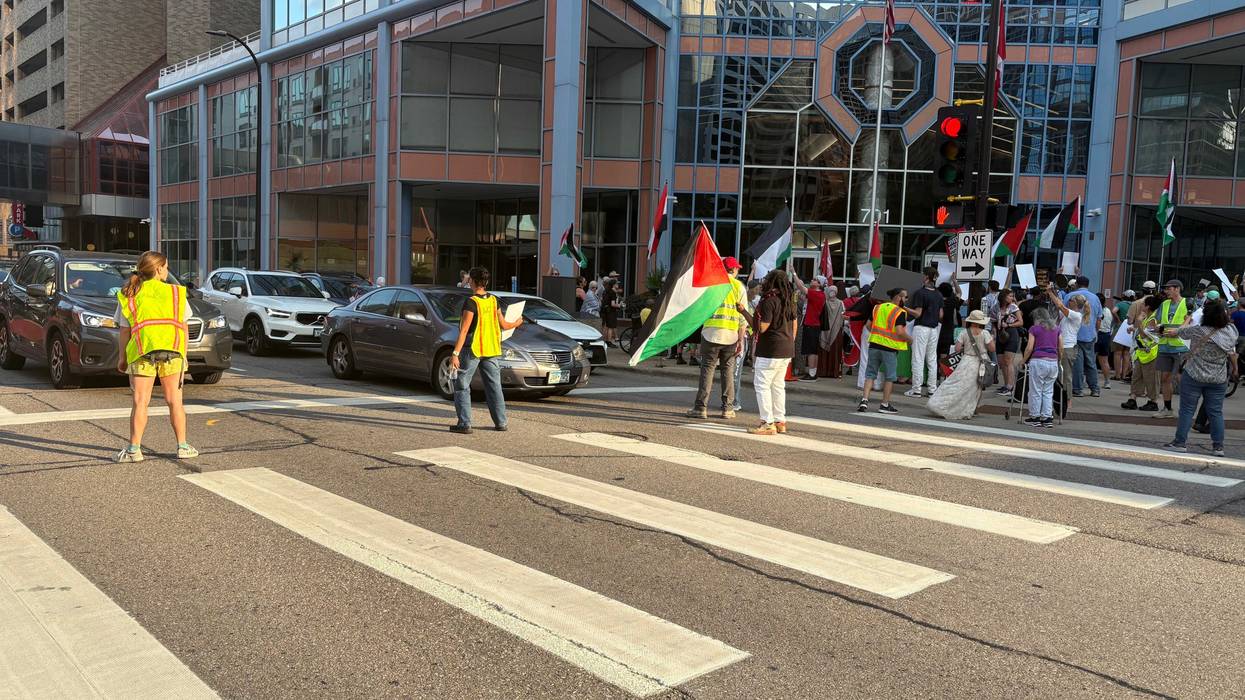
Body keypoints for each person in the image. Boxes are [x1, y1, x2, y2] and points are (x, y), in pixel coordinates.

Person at [113, 251, 197, 462]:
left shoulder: (130, 293)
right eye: (166, 266)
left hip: (142, 352)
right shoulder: (176, 293)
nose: (167, 270)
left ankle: (134, 450)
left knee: (140, 402)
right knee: (175, 402)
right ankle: (183, 447)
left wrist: (122, 358)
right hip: (173, 352)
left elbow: (125, 331)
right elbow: (184, 328)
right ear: (159, 269)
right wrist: (184, 356)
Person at [449, 267, 524, 434]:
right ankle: (501, 423)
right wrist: (517, 323)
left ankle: (464, 424)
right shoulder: (493, 300)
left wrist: (455, 354)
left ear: (472, 282)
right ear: (486, 282)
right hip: (491, 349)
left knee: (461, 385)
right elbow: (504, 325)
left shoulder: (471, 302)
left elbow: (464, 330)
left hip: (473, 350)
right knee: (494, 386)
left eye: (469, 279)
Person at [1163, 301, 1238, 456]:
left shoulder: (1198, 330)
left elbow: (1179, 332)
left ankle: (1180, 442)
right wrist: (1235, 369)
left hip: (1193, 375)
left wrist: (1186, 320)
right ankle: (1218, 447)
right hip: (1218, 378)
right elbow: (1232, 352)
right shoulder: (1231, 332)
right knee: (1215, 412)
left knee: (1187, 410)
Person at [736, 269, 797, 435]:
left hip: (770, 349)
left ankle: (767, 422)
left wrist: (743, 312)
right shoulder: (789, 300)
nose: (763, 283)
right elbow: (794, 326)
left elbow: (761, 327)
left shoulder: (769, 301)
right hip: (786, 348)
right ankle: (780, 421)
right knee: (778, 386)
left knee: (762, 385)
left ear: (771, 282)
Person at [687, 257, 747, 420]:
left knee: (707, 369)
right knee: (727, 371)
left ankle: (700, 408)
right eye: (737, 269)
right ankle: (727, 408)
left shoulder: (712, 285)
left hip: (711, 333)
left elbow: (700, 309)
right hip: (731, 335)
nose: (738, 271)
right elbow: (743, 318)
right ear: (733, 270)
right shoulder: (738, 287)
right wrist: (741, 340)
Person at [927, 310, 995, 420]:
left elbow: (957, 348)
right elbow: (992, 348)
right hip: (980, 362)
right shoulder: (985, 333)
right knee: (976, 387)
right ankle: (972, 408)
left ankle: (940, 404)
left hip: (966, 361)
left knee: (955, 383)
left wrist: (967, 348)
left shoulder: (964, 332)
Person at [858, 287, 910, 414]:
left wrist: (878, 335)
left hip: (874, 345)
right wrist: (910, 339)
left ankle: (864, 400)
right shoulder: (900, 312)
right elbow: (899, 331)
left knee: (870, 374)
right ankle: (884, 404)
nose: (906, 299)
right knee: (890, 377)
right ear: (898, 297)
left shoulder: (878, 307)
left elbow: (868, 326)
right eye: (905, 297)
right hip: (889, 348)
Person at [1153, 279, 1188, 419]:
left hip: (1181, 347)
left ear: (1177, 289)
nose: (1166, 291)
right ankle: (1167, 408)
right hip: (1165, 346)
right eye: (1166, 288)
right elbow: (1158, 321)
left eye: (1169, 288)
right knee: (1165, 378)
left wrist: (1178, 331)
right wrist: (1158, 328)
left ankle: (1186, 410)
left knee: (1183, 380)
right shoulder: (1164, 304)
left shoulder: (1188, 303)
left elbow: (1192, 322)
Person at [1021, 307, 1062, 428]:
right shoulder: (1057, 329)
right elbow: (1061, 347)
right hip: (1053, 361)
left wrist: (1023, 361)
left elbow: (1029, 348)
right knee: (1048, 391)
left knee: (1036, 390)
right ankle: (1047, 417)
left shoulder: (1034, 329)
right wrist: (1059, 359)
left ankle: (1035, 417)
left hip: (1038, 361)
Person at [906, 267, 943, 398]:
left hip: (921, 327)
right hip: (934, 329)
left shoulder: (920, 293)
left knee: (918, 358)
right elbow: (941, 315)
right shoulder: (938, 294)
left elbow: (917, 313)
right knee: (932, 359)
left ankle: (916, 389)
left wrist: (904, 308)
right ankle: (932, 389)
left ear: (926, 277)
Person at [1121, 294, 1162, 412]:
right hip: (1141, 352)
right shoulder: (1147, 317)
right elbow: (1142, 330)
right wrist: (1133, 329)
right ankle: (1133, 399)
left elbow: (1146, 335)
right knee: (1136, 376)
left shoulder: (1153, 318)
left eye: (1143, 304)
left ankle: (1153, 402)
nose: (1142, 306)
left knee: (1151, 378)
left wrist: (1138, 322)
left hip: (1151, 354)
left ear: (1148, 306)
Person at [1066, 275, 1102, 397]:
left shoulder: (1070, 296)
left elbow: (1063, 313)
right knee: (1091, 363)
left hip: (1074, 334)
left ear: (1076, 284)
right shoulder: (1095, 298)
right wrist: (1095, 332)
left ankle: (1078, 388)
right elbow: (1098, 319)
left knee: (1078, 364)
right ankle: (1095, 388)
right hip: (1090, 334)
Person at [1047, 286, 1083, 407]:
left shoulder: (1076, 315)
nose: (1069, 302)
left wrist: (1050, 293)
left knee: (1066, 374)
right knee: (1059, 373)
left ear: (1076, 303)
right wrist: (1054, 293)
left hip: (1068, 347)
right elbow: (1060, 304)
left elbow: (1060, 306)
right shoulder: (1070, 314)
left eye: (1071, 300)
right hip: (1062, 346)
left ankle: (1068, 400)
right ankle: (1060, 396)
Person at [793, 274, 827, 380]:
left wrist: (794, 273)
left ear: (819, 284)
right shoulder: (819, 294)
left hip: (811, 324)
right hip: (814, 324)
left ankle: (811, 374)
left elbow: (800, 286)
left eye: (815, 280)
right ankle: (813, 372)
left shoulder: (816, 294)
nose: (812, 280)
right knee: (813, 350)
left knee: (811, 350)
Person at [991, 288, 1022, 396]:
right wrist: (994, 333)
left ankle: (1011, 386)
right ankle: (1006, 385)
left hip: (1011, 333)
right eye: (1010, 296)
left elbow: (1020, 322)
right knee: (1001, 362)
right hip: (1000, 334)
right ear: (1004, 297)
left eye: (1012, 296)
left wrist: (1009, 325)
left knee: (1008, 361)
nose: (1012, 298)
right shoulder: (996, 307)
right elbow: (993, 321)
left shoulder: (1013, 307)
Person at [817, 285, 845, 379]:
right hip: (836, 332)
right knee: (835, 352)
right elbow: (844, 317)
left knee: (825, 351)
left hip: (825, 331)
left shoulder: (824, 302)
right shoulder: (841, 303)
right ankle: (834, 372)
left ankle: (823, 371)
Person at [1112, 290, 1135, 382]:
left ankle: (1117, 374)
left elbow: (1114, 311)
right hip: (1131, 328)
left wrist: (1118, 320)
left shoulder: (1121, 304)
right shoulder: (1134, 305)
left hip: (1120, 328)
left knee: (1118, 352)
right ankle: (1124, 375)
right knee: (1126, 353)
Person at [936, 282, 962, 367]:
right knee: (944, 353)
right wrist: (955, 281)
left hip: (936, 330)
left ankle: (935, 374)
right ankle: (942, 375)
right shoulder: (953, 300)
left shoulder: (937, 301)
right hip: (948, 331)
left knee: (933, 353)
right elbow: (959, 293)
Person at [1095, 294, 1116, 390]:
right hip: (1106, 336)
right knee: (1104, 361)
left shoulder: (1097, 310)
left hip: (1098, 334)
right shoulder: (1108, 311)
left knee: (1090, 360)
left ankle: (1091, 381)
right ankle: (1107, 382)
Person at [600, 280, 621, 346]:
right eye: (617, 283)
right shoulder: (612, 293)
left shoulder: (606, 291)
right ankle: (609, 341)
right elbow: (612, 304)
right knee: (611, 327)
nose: (618, 285)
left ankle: (606, 340)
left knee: (606, 326)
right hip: (611, 312)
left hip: (606, 311)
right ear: (613, 284)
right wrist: (619, 305)